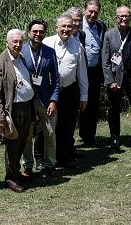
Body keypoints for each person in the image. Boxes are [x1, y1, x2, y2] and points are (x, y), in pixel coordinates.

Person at [0, 29, 36, 193]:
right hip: (12, 110)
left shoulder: (21, 58)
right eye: (14, 42)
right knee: (13, 144)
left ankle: (16, 172)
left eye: (20, 42)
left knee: (22, 142)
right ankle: (11, 177)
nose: (17, 44)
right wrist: (0, 116)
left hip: (26, 106)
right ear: (7, 43)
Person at [43, 13, 88, 169]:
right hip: (49, 91)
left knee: (67, 126)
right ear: (57, 27)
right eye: (63, 26)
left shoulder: (77, 45)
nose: (66, 29)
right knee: (47, 126)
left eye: (69, 26)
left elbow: (82, 72)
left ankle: (65, 157)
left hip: (70, 90)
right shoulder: (46, 42)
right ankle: (43, 159)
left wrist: (84, 96)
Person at [102, 6, 131, 150]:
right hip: (116, 79)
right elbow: (105, 61)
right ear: (116, 17)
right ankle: (115, 139)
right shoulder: (109, 35)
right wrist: (110, 81)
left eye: (127, 15)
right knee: (114, 109)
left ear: (130, 17)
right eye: (121, 15)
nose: (124, 18)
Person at [20, 19, 61, 177]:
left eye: (41, 32)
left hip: (45, 100)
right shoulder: (21, 51)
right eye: (35, 31)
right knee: (27, 134)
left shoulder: (50, 52)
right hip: (26, 101)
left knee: (50, 133)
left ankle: (50, 164)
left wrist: (54, 100)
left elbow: (56, 79)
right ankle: (28, 166)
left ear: (45, 34)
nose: (38, 34)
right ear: (29, 32)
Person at [79, 0, 106, 146]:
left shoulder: (101, 26)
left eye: (96, 12)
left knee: (92, 104)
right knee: (76, 104)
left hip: (95, 71)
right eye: (90, 11)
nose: (93, 14)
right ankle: (70, 139)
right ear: (85, 10)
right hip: (79, 71)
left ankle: (89, 136)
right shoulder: (77, 24)